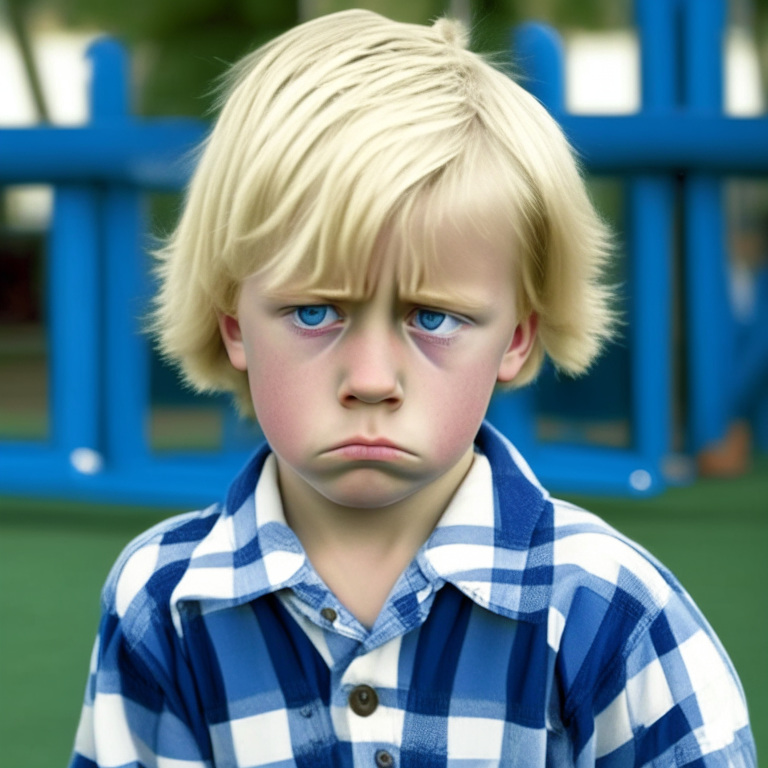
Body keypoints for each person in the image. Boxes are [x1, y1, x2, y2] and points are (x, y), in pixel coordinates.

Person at [70, 10, 755, 767]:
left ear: (518, 335)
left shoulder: (608, 607)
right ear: (233, 321)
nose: (370, 380)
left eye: (433, 317)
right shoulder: (163, 602)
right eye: (314, 311)